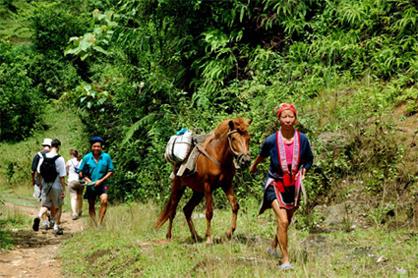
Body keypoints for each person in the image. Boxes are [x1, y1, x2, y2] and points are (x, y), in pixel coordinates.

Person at [250, 103, 313, 270]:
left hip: (293, 186)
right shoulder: (271, 140)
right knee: (283, 220)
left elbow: (308, 160)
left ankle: (273, 246)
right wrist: (253, 166)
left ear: (295, 118)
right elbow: (261, 156)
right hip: (275, 183)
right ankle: (285, 260)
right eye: (284, 117)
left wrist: (304, 170)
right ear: (279, 119)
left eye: (290, 116)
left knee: (286, 221)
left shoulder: (303, 139)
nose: (288, 120)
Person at [33, 138, 66, 235]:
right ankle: (56, 227)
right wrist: (63, 190)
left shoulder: (43, 157)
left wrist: (39, 184)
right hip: (56, 186)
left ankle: (38, 216)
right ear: (58, 147)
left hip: (45, 184)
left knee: (45, 205)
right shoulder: (60, 158)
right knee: (58, 206)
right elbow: (62, 177)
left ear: (51, 146)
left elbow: (38, 173)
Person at [79, 136, 114, 226]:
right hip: (91, 186)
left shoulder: (106, 157)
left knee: (104, 200)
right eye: (94, 146)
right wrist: (89, 181)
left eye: (98, 146)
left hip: (103, 185)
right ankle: (94, 223)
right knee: (91, 204)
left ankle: (100, 223)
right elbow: (81, 172)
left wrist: (101, 180)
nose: (96, 148)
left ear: (101, 147)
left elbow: (111, 171)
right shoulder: (87, 158)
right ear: (91, 147)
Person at [31, 138, 52, 230]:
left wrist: (33, 181)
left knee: (42, 202)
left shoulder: (37, 155)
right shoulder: (54, 155)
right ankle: (48, 218)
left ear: (43, 146)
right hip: (50, 181)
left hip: (38, 181)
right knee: (48, 202)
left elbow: (33, 170)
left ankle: (45, 221)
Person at [66, 149, 83, 220]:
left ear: (71, 154)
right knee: (79, 196)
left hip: (72, 181)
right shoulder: (81, 161)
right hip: (81, 181)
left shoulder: (69, 162)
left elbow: (65, 171)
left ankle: (74, 213)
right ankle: (79, 210)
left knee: (73, 197)